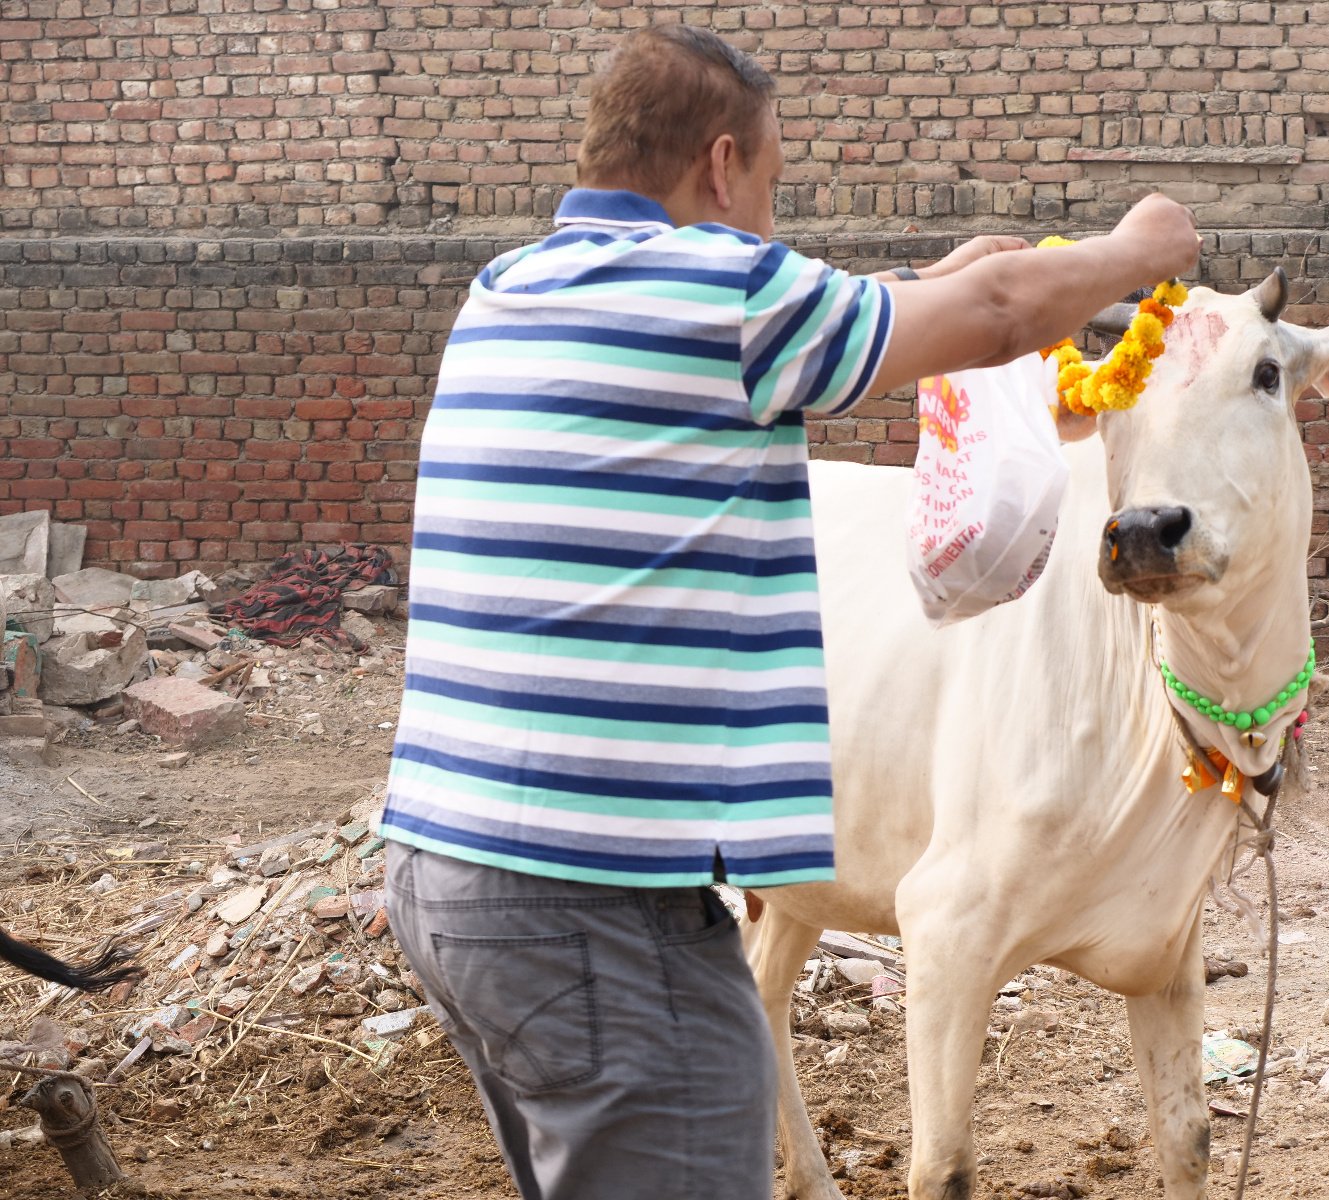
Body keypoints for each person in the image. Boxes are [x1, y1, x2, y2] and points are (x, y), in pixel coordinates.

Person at [378, 23, 1200, 1200]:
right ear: (720, 165)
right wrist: (1138, 246)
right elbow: (1010, 310)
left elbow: (812, 309)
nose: (770, 218)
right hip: (595, 906)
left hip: (447, 877)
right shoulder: (727, 293)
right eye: (769, 186)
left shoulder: (513, 288)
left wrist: (925, 288)